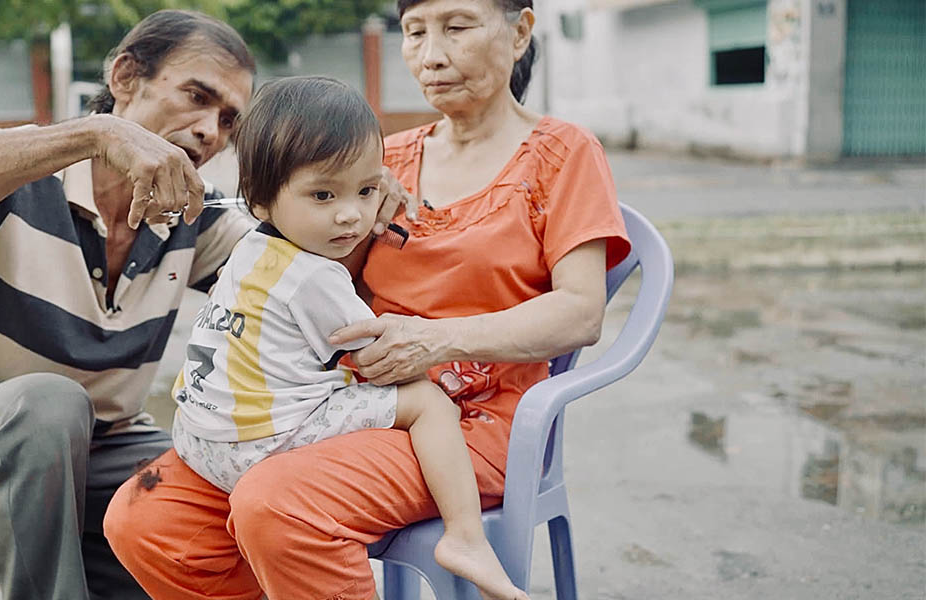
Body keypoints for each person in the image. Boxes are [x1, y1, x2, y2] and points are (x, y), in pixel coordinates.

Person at [104, 0, 633, 598]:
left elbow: (581, 312)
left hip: (473, 422)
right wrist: (358, 208)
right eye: (414, 32)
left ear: (520, 32)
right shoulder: (374, 157)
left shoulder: (562, 153)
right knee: (147, 521)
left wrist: (435, 340)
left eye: (456, 27)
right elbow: (310, 280)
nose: (432, 55)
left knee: (279, 503)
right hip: (343, 399)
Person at [0, 10, 259, 600]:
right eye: (197, 96)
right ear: (125, 77)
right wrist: (94, 135)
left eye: (228, 119)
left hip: (106, 451)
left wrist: (359, 190)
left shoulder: (192, 215)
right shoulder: (15, 182)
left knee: (219, 490)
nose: (211, 130)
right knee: (50, 405)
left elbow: (301, 269)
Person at [156, 75, 530, 600]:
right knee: (427, 402)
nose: (351, 214)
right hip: (262, 444)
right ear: (260, 201)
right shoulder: (315, 278)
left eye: (367, 190)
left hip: (198, 441)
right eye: (323, 195)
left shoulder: (248, 253)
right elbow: (380, 358)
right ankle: (466, 537)